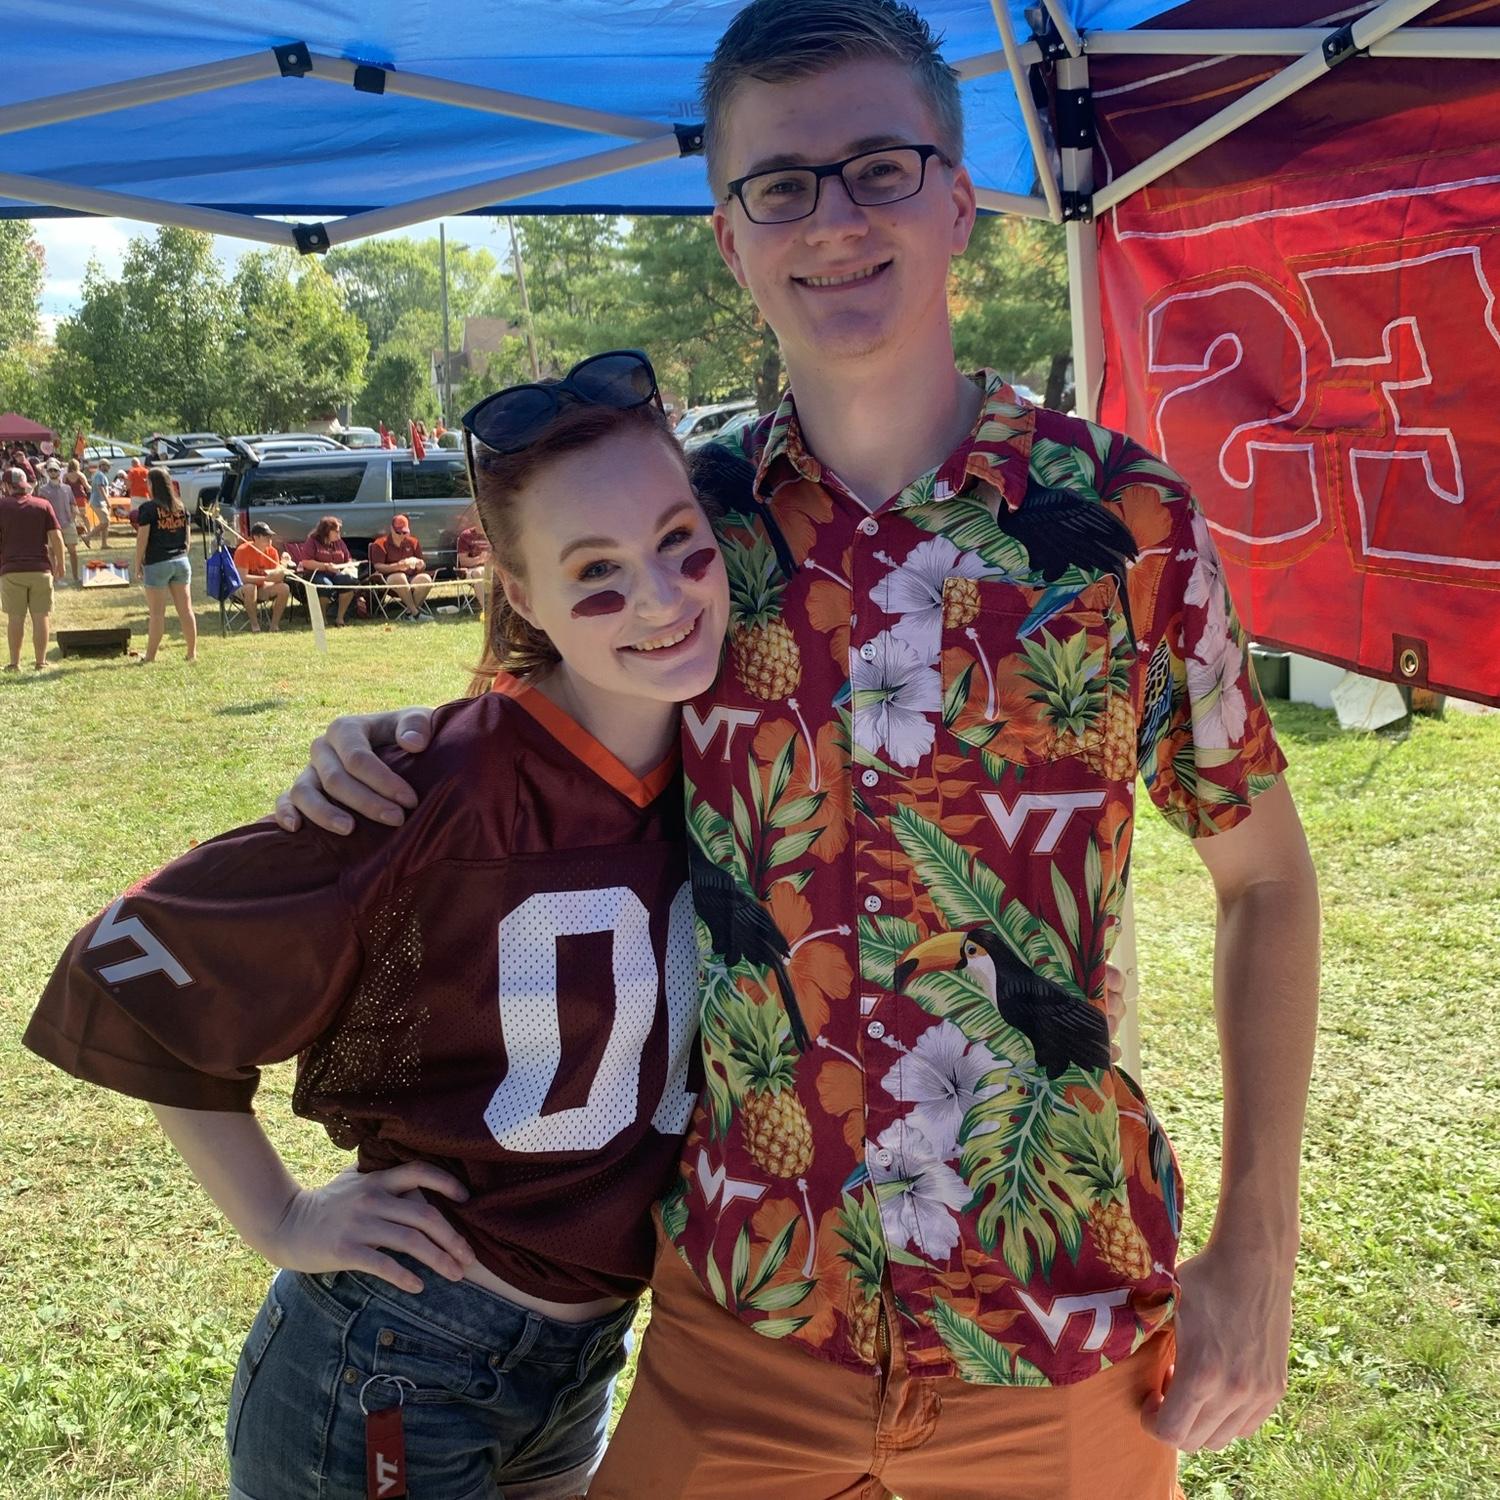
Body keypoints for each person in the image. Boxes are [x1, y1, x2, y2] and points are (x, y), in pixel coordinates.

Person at [279, 4, 1322, 1497]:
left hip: (1058, 1315)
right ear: (728, 233)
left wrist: (1260, 1242)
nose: (832, 218)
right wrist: (366, 752)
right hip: (744, 1315)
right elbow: (519, 769)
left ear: (962, 200)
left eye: (879, 167)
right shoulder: (683, 537)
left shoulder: (1122, 523)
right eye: (781, 182)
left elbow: (1266, 880)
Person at [24, 354, 732, 1500]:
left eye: (680, 542)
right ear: (518, 587)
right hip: (400, 1364)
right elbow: (133, 972)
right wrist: (282, 1214)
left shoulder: (738, 761)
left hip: (581, 1370)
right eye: (595, 571)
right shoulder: (432, 787)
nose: (659, 597)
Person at [0, 465, 64, 671]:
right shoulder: (43, 505)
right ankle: (40, 662)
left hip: (11, 569)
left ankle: (14, 663)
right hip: (40, 568)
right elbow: (56, 537)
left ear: (7, 486)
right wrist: (61, 563)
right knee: (41, 616)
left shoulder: (1, 506)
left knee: (15, 618)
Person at [134, 465, 197, 664]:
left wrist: (138, 563)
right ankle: (191, 653)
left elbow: (142, 539)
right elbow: (187, 539)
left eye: (148, 482)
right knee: (186, 610)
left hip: (157, 563)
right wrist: (181, 554)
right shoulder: (181, 507)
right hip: (180, 561)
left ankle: (150, 656)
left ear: (153, 485)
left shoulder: (148, 509)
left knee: (157, 614)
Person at [368, 513, 433, 622]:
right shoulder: (380, 544)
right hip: (389, 580)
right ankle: (416, 614)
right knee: (400, 576)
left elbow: (422, 563)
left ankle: (408, 614)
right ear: (391, 529)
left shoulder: (413, 542)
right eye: (398, 532)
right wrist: (397, 566)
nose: (402, 535)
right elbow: (378, 566)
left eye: (405, 532)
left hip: (411, 576)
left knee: (426, 579)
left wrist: (420, 564)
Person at [296, 516, 357, 627]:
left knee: (349, 581)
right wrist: (325, 566)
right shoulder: (312, 541)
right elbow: (306, 562)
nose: (339, 534)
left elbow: (348, 559)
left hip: (336, 573)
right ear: (327, 531)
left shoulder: (339, 542)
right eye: (336, 531)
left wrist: (349, 567)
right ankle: (322, 617)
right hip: (316, 573)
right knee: (325, 584)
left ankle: (340, 617)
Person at [232, 521, 291, 633]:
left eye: (270, 536)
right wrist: (266, 579)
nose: (270, 539)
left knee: (284, 588)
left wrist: (284, 565)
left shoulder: (272, 551)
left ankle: (274, 625)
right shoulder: (243, 551)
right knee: (250, 587)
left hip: (263, 587)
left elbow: (276, 575)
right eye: (266, 536)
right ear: (255, 537)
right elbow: (242, 578)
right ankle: (255, 625)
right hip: (242, 588)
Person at [36, 459, 80, 584]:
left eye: (55, 470)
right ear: (47, 472)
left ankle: (76, 577)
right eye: (50, 470)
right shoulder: (43, 489)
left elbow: (73, 504)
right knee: (52, 553)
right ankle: (56, 579)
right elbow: (41, 508)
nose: (52, 472)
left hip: (67, 523)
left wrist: (73, 518)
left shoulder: (67, 488)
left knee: (73, 551)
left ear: (59, 472)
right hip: (51, 526)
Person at [87, 461, 113, 549]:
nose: (109, 467)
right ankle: (87, 537)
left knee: (105, 522)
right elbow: (101, 488)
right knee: (105, 522)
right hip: (97, 502)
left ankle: (104, 544)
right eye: (108, 465)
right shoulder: (99, 475)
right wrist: (107, 501)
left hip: (100, 502)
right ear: (102, 466)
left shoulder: (100, 475)